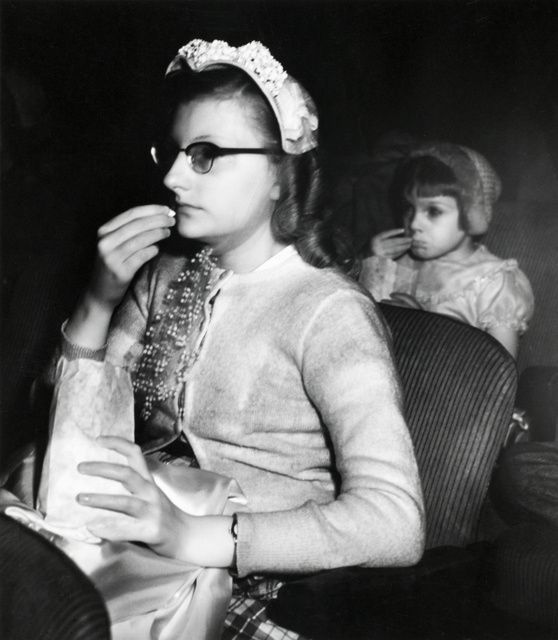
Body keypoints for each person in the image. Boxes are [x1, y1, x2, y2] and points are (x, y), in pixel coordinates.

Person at [42, 39, 425, 639]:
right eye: (171, 152)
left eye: (206, 155)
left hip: (255, 578)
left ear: (280, 175)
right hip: (137, 540)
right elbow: (70, 438)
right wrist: (97, 302)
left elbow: (396, 524)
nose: (171, 177)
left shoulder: (329, 312)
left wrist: (190, 534)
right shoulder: (165, 273)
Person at [359, 143, 534, 358]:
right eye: (409, 208)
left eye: (433, 211)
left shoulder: (494, 282)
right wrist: (373, 262)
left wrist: (428, 328)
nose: (414, 223)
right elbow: (364, 334)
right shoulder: (401, 263)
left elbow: (500, 377)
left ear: (471, 212)